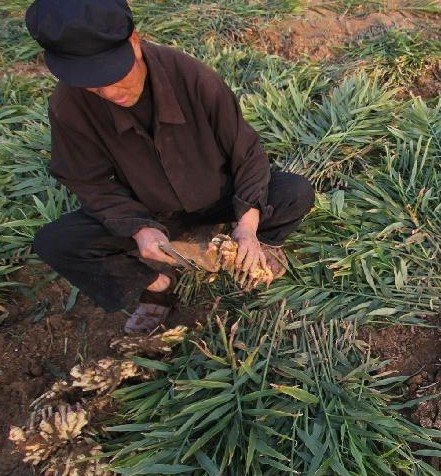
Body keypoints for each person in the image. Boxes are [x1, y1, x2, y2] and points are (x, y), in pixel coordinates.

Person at [24, 0, 315, 333]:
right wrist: (138, 227)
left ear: (133, 41)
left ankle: (246, 241)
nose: (107, 91)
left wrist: (247, 225)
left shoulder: (190, 76)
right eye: (90, 83)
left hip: (218, 198)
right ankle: (158, 285)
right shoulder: (69, 104)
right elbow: (88, 181)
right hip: (151, 214)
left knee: (294, 191)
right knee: (56, 242)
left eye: (111, 74)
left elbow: (245, 151)